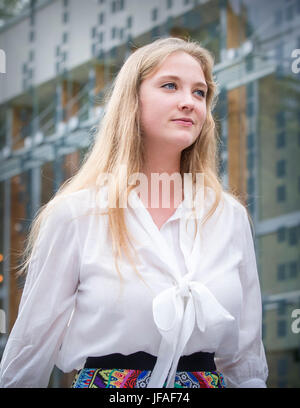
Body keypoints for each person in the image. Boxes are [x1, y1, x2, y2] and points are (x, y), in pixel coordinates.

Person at [0, 37, 268, 388]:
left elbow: (246, 360)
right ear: (133, 100)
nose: (189, 102)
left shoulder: (228, 216)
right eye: (170, 86)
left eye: (199, 92)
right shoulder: (77, 214)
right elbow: (30, 351)